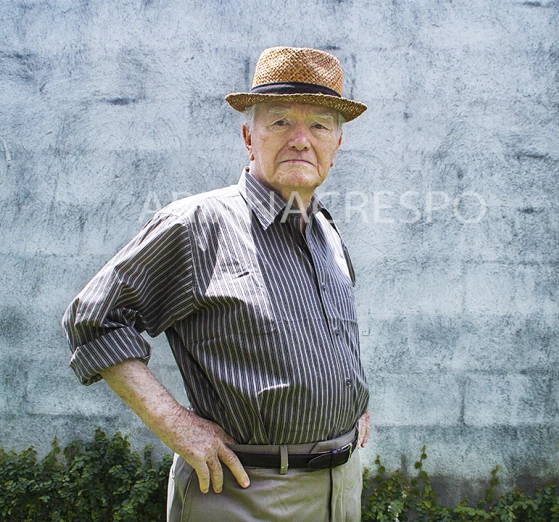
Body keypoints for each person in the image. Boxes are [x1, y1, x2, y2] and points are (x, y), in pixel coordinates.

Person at [62, 46, 370, 521]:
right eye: (281, 121)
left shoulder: (327, 231)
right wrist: (176, 425)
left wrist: (351, 407)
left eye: (320, 126)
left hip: (342, 488)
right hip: (245, 493)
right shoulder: (197, 224)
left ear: (336, 144)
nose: (300, 140)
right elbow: (94, 319)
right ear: (250, 137)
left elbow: (331, 338)